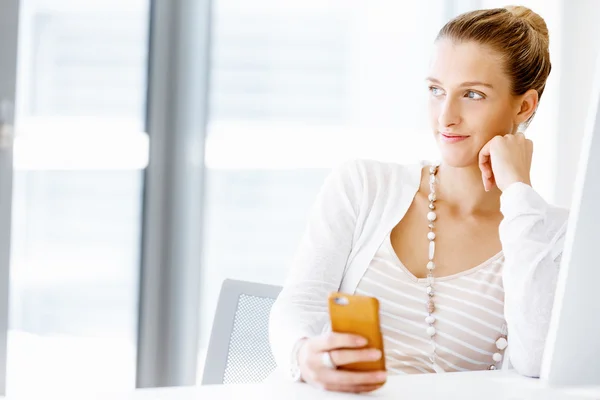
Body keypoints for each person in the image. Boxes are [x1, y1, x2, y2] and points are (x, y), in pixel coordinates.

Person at [269, 5, 569, 394]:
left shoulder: (554, 236)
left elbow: (537, 360)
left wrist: (518, 193)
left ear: (524, 106)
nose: (446, 116)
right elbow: (298, 304)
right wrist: (304, 354)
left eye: (472, 95)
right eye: (436, 90)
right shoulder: (363, 185)